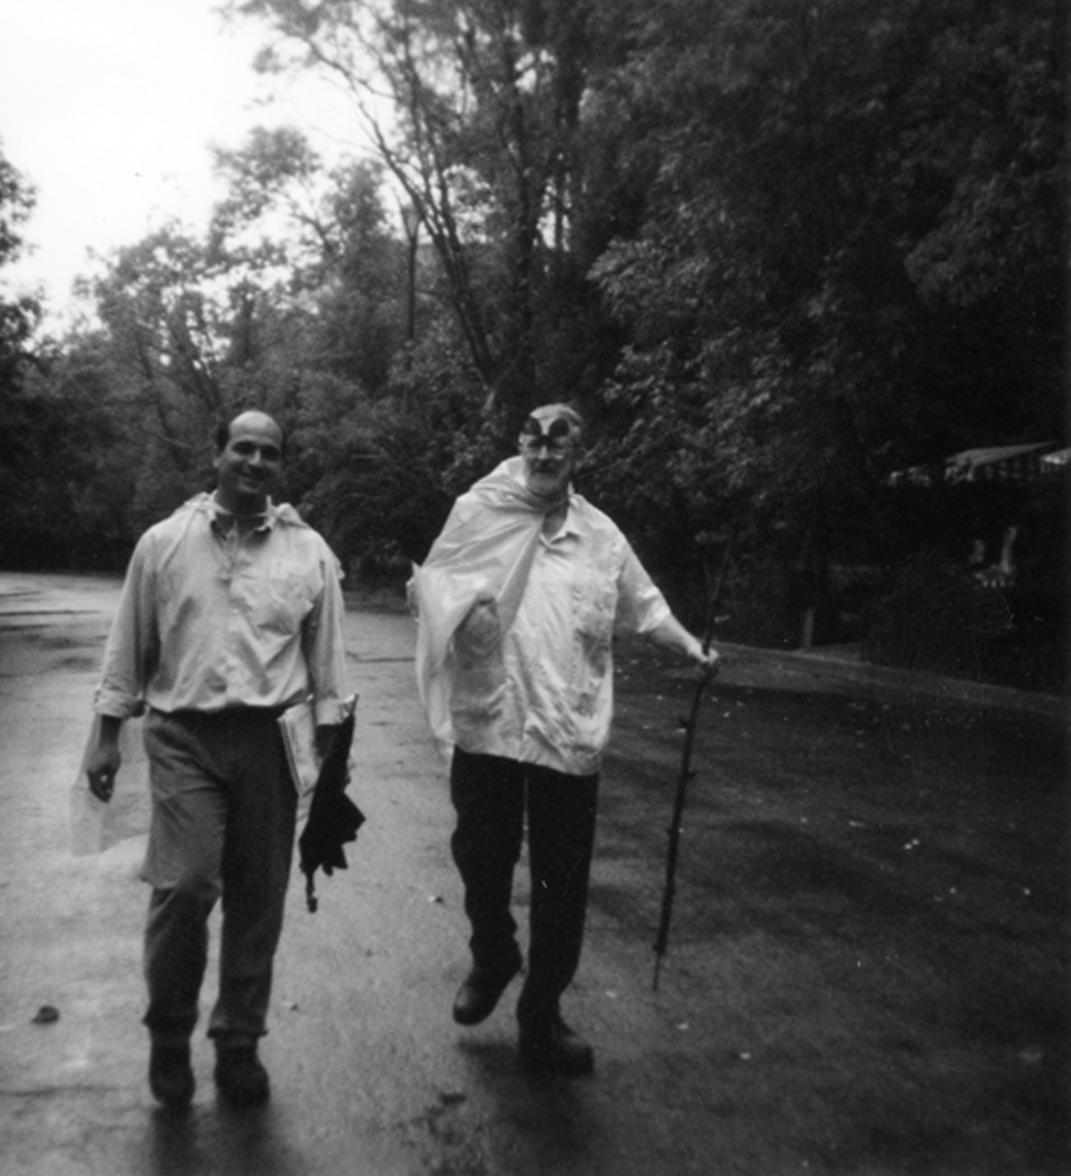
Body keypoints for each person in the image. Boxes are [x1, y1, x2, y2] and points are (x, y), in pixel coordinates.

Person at [411, 404, 719, 1076]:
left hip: (567, 731)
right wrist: (443, 608)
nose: (545, 455)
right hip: (489, 723)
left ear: (579, 455)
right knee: (480, 861)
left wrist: (691, 648)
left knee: (562, 883)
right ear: (520, 446)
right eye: (534, 442)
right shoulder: (477, 513)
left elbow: (647, 608)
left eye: (559, 445)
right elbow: (432, 586)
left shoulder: (602, 537)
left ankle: (542, 1014)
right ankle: (494, 955)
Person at [86, 410, 352, 1110]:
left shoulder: (308, 551)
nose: (256, 462)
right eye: (243, 448)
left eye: (269, 452)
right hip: (185, 738)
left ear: (280, 464)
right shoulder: (164, 543)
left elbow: (328, 661)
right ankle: (170, 1035)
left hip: (272, 742)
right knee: (185, 886)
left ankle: (239, 1041)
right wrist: (106, 732)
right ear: (217, 455)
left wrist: (331, 757)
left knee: (258, 898)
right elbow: (128, 644)